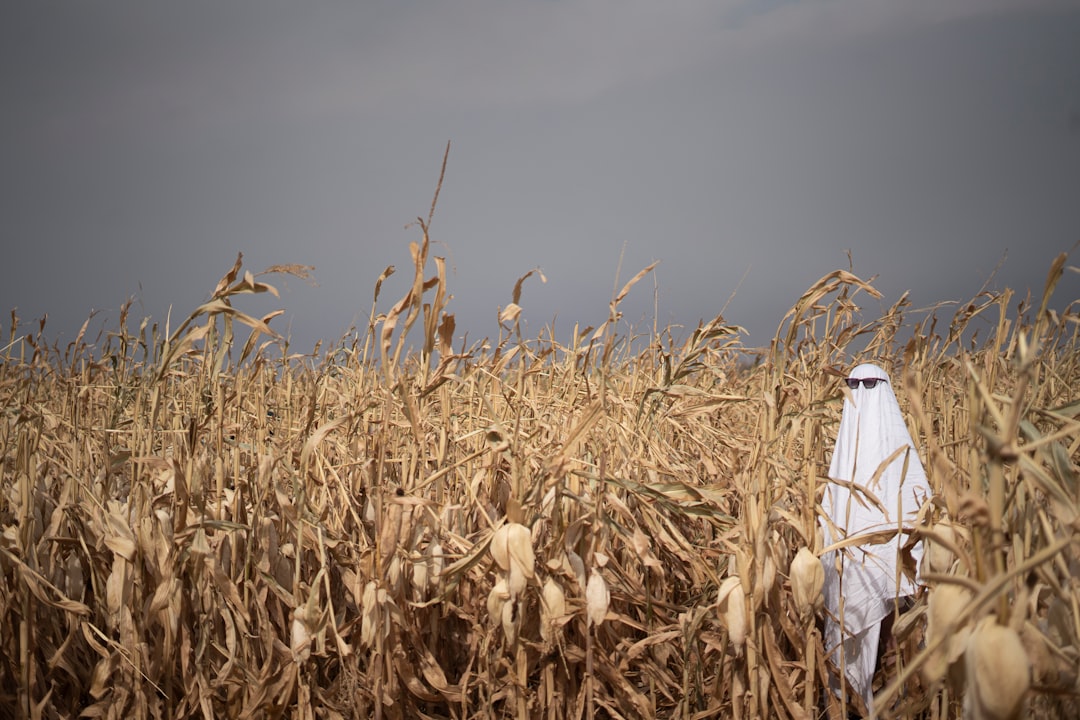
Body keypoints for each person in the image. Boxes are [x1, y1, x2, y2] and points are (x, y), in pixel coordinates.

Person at [820, 362, 932, 715]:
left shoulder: (899, 450)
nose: (861, 393)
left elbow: (918, 511)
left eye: (868, 385)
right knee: (852, 635)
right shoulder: (845, 456)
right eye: (854, 385)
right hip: (852, 567)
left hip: (895, 573)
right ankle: (852, 704)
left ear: (881, 388)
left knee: (898, 645)